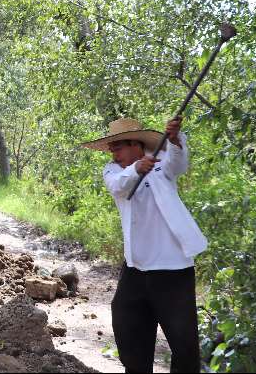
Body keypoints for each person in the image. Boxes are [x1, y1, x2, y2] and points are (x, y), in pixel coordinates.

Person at [82, 116, 208, 373]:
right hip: (136, 267)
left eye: (118, 147)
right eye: (112, 149)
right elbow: (119, 186)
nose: (114, 154)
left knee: (183, 343)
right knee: (128, 326)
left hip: (173, 268)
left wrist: (174, 140)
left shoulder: (163, 163)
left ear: (135, 144)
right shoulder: (113, 171)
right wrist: (136, 169)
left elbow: (179, 163)